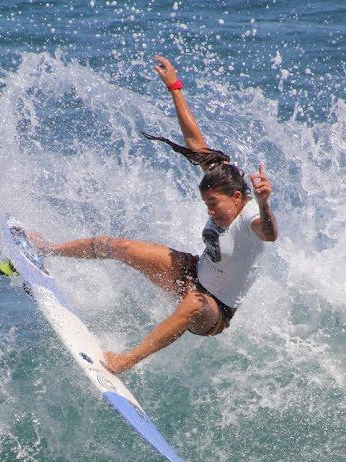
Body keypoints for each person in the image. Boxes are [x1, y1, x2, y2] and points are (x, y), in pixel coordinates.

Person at [35, 56, 279, 375]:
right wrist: (174, 87)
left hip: (214, 311)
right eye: (205, 204)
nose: (210, 212)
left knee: (192, 302)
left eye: (214, 205)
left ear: (236, 198)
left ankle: (124, 362)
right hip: (192, 272)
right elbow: (196, 143)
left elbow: (270, 233)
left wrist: (263, 203)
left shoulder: (249, 218)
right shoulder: (223, 182)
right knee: (119, 247)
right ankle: (49, 250)